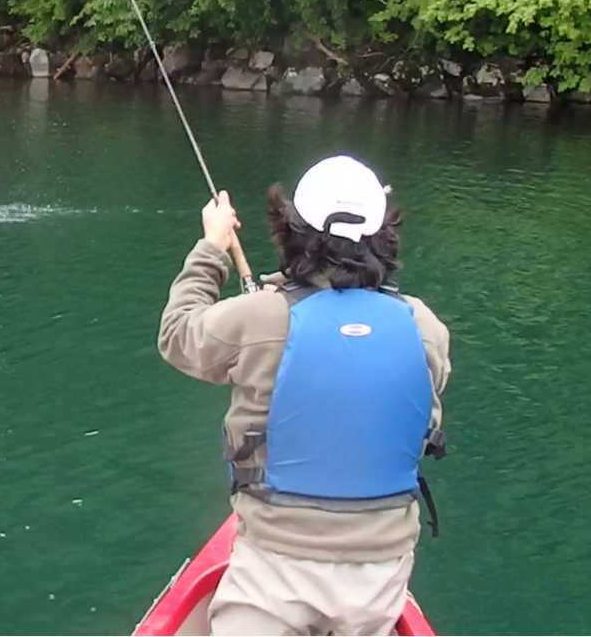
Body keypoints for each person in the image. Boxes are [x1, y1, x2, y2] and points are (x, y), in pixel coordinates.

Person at [158, 154, 451, 637]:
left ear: (290, 229)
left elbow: (177, 335)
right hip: (379, 578)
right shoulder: (425, 327)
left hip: (274, 567)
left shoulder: (257, 318)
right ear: (383, 236)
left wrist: (212, 246)